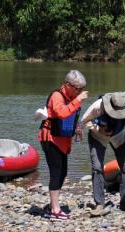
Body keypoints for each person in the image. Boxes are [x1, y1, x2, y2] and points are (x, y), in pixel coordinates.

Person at [38, 70, 88, 220]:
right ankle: (55, 210)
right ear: (68, 85)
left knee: (63, 172)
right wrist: (78, 99)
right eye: (77, 88)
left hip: (63, 140)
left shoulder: (72, 96)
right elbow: (62, 113)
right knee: (56, 172)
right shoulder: (57, 96)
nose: (79, 92)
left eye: (81, 89)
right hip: (50, 139)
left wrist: (77, 128)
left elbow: (72, 116)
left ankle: (52, 205)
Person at [80, 91, 125, 215]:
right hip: (98, 137)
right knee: (97, 168)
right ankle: (100, 204)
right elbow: (85, 120)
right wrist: (98, 129)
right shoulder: (98, 106)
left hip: (118, 136)